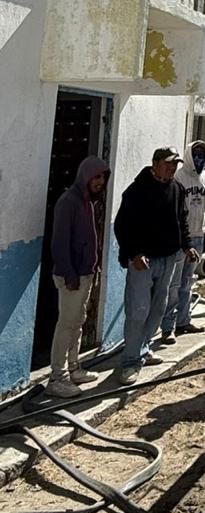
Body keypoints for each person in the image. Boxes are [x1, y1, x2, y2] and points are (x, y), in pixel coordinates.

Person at [114, 147, 196, 385]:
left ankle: (144, 348)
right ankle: (130, 362)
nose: (172, 168)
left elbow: (182, 219)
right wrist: (134, 253)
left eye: (175, 164)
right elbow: (122, 226)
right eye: (168, 164)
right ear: (155, 164)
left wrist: (187, 246)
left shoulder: (177, 189)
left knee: (158, 309)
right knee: (138, 310)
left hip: (168, 258)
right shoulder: (136, 191)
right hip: (143, 260)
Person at [46, 155, 111, 398]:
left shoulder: (88, 202)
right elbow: (59, 243)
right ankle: (57, 377)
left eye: (103, 177)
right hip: (71, 277)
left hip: (85, 274)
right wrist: (69, 273)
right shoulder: (69, 202)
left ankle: (73, 368)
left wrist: (92, 268)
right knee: (66, 325)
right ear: (85, 176)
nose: (100, 182)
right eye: (96, 177)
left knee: (78, 322)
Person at [159, 139, 205, 343]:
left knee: (188, 282)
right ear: (189, 156)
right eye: (196, 155)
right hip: (179, 238)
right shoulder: (178, 177)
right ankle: (168, 327)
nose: (199, 159)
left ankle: (184, 321)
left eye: (203, 155)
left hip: (198, 236)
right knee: (173, 284)